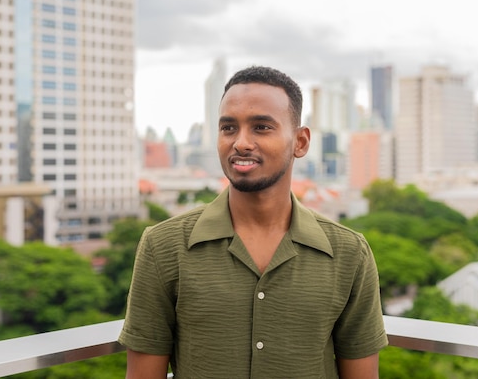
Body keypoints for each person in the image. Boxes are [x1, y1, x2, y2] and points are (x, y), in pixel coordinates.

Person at [118, 66, 388, 378]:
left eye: (261, 127)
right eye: (228, 128)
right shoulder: (164, 246)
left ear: (300, 142)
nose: (241, 142)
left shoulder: (349, 253)